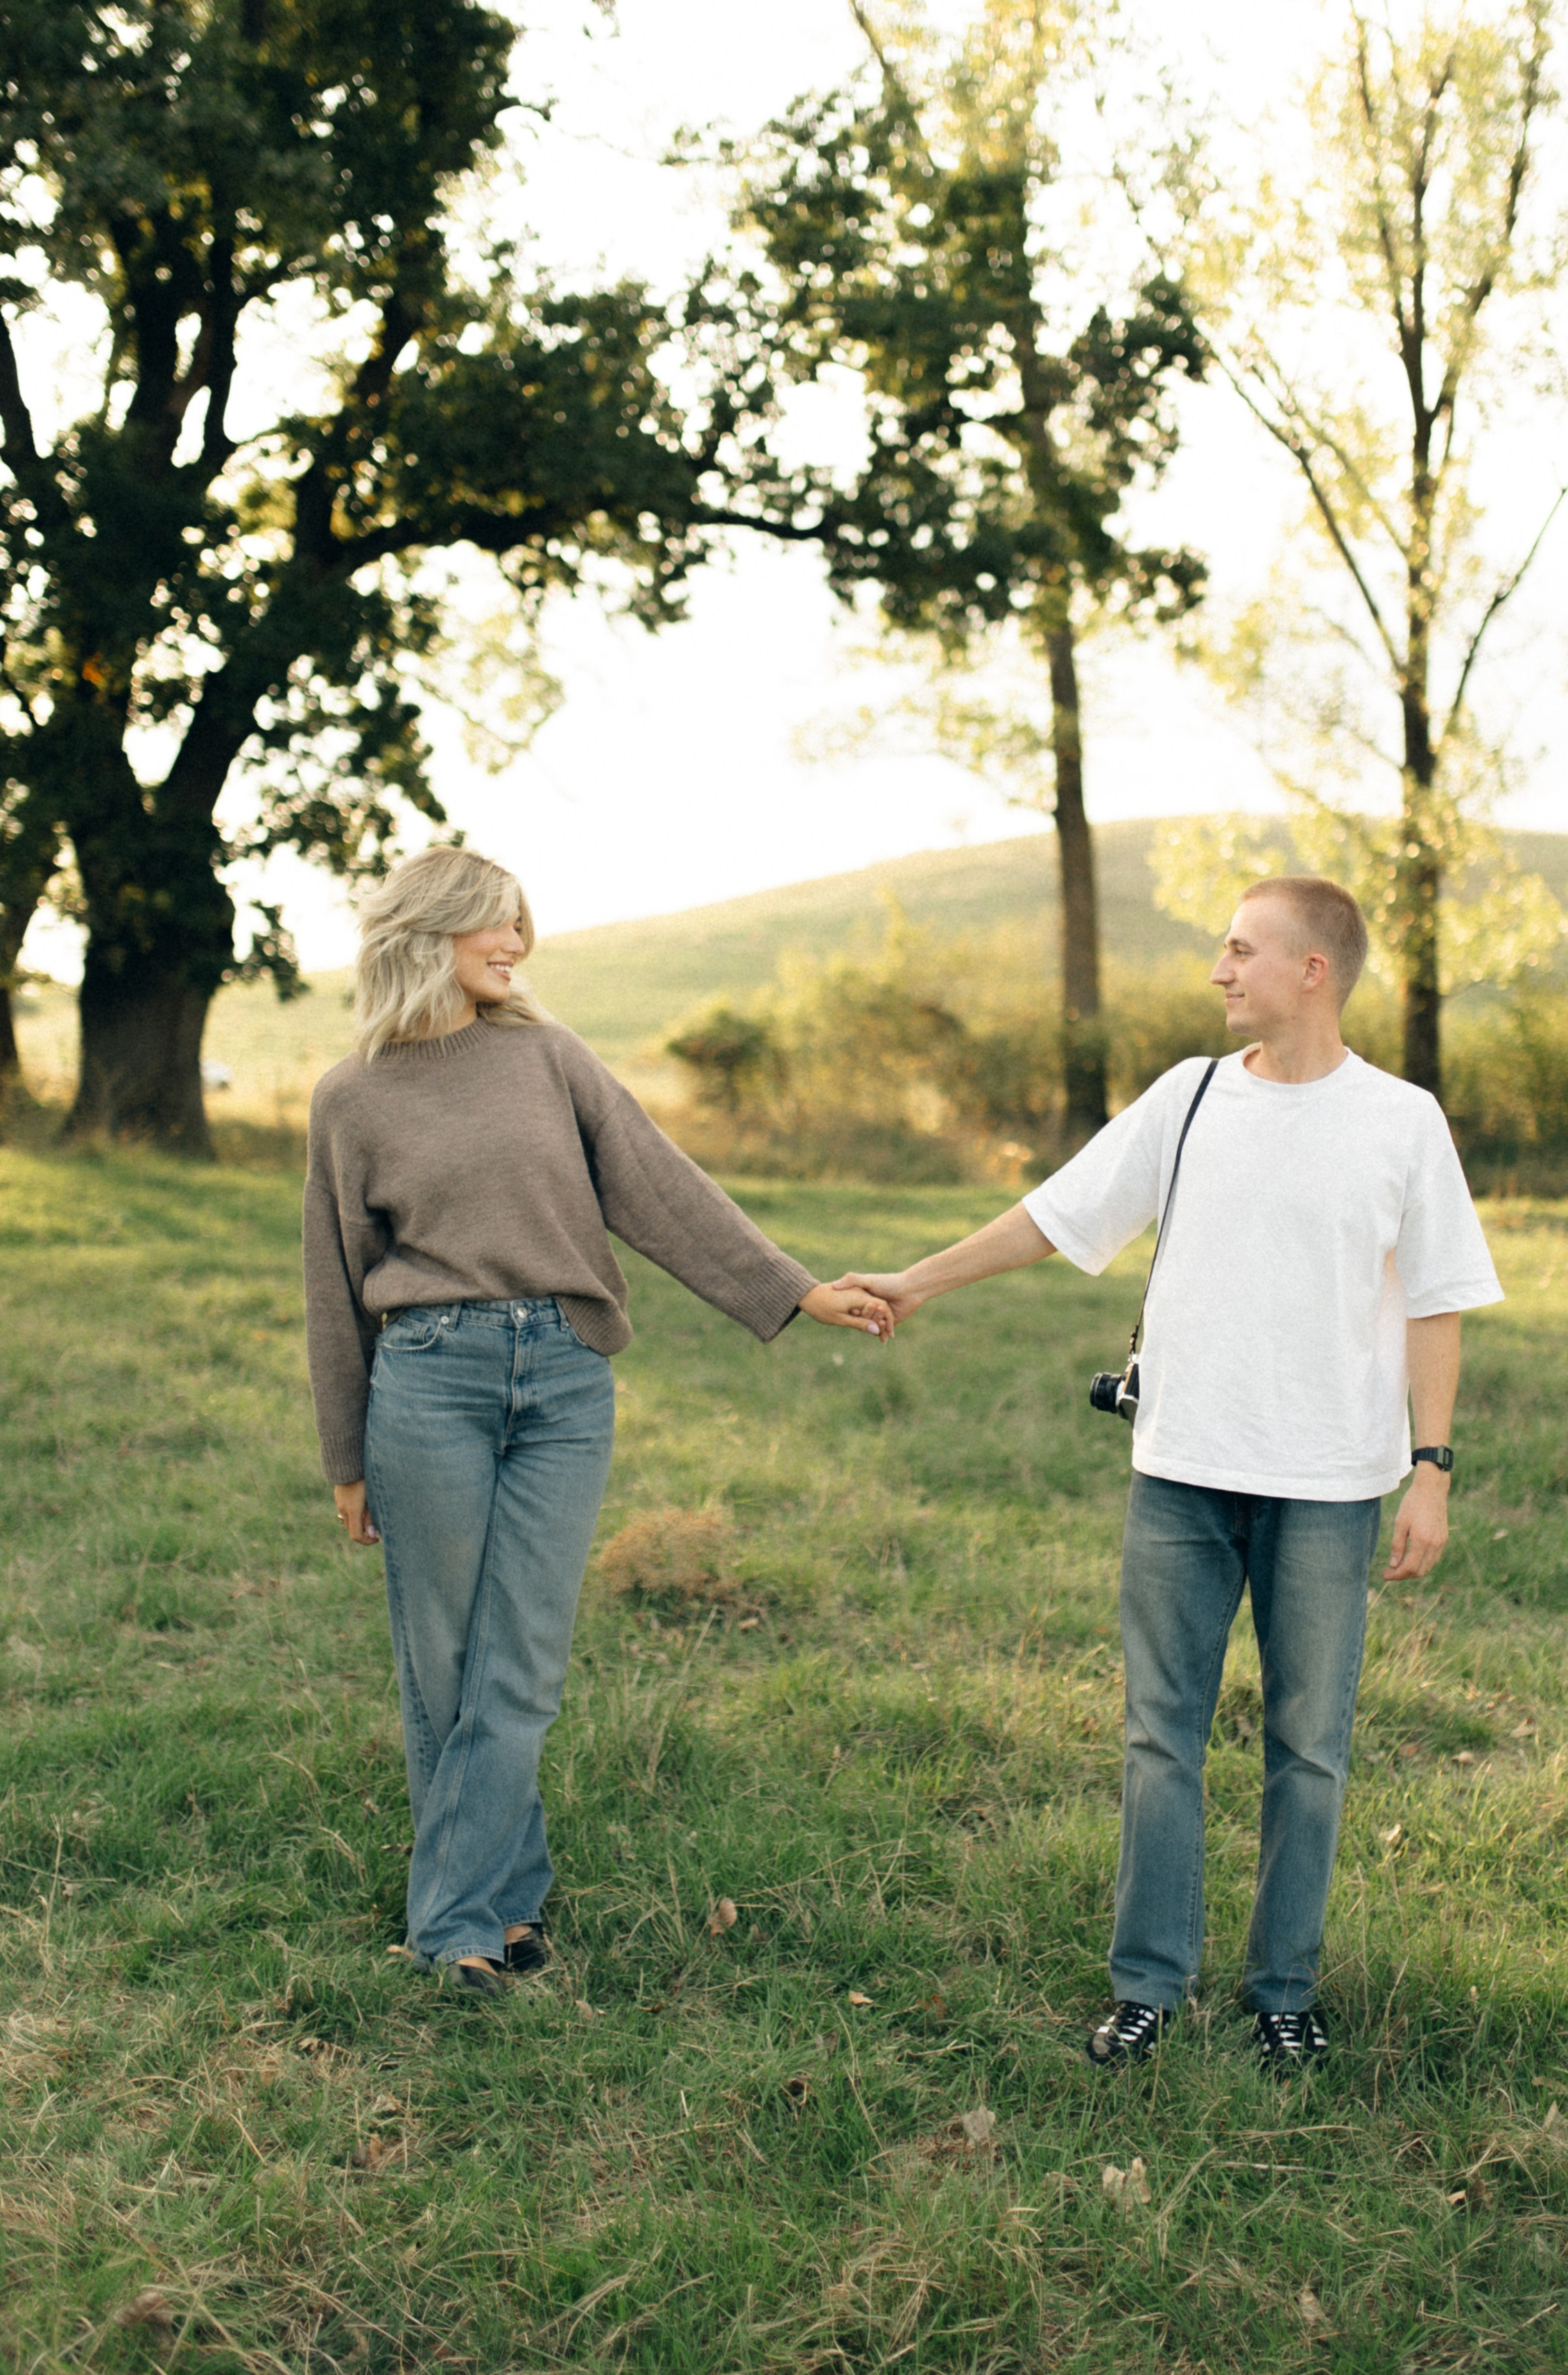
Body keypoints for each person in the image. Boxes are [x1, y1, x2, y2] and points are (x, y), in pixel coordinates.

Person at [836, 875, 1502, 2074]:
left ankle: (1282, 1990)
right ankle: (1148, 1986)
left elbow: (1442, 1303)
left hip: (1330, 1485)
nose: (1218, 970)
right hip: (1182, 1473)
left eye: (1243, 950)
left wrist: (1432, 1469)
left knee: (1310, 1745)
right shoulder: (1188, 1098)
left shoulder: (1402, 1121)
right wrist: (917, 1280)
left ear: (1314, 970)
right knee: (1161, 1737)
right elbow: (1055, 1216)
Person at [303, 846, 894, 1994]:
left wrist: (793, 1288)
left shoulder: (547, 1059)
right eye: (495, 928)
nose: (516, 948)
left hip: (565, 1377)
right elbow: (334, 1281)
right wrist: (345, 1453)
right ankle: (500, 1910)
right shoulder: (352, 1095)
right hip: (426, 1379)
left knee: (517, 1664)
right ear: (433, 933)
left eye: (520, 928)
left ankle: (454, 1922)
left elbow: (659, 1188)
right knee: (445, 1665)